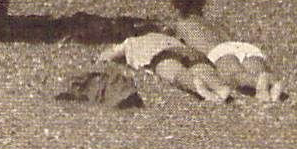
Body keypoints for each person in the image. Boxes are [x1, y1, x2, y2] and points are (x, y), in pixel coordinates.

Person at [168, 0, 285, 101]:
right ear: (202, 3)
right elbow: (229, 36)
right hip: (241, 46)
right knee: (257, 70)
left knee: (236, 76)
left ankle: (259, 83)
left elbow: (176, 46)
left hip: (218, 51)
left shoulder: (182, 24)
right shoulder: (212, 23)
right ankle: (271, 83)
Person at [96, 31, 232, 103]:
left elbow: (107, 56)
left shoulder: (130, 42)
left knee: (178, 73)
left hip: (158, 55)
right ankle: (219, 87)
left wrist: (103, 60)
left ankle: (202, 90)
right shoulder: (166, 36)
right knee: (198, 67)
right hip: (182, 49)